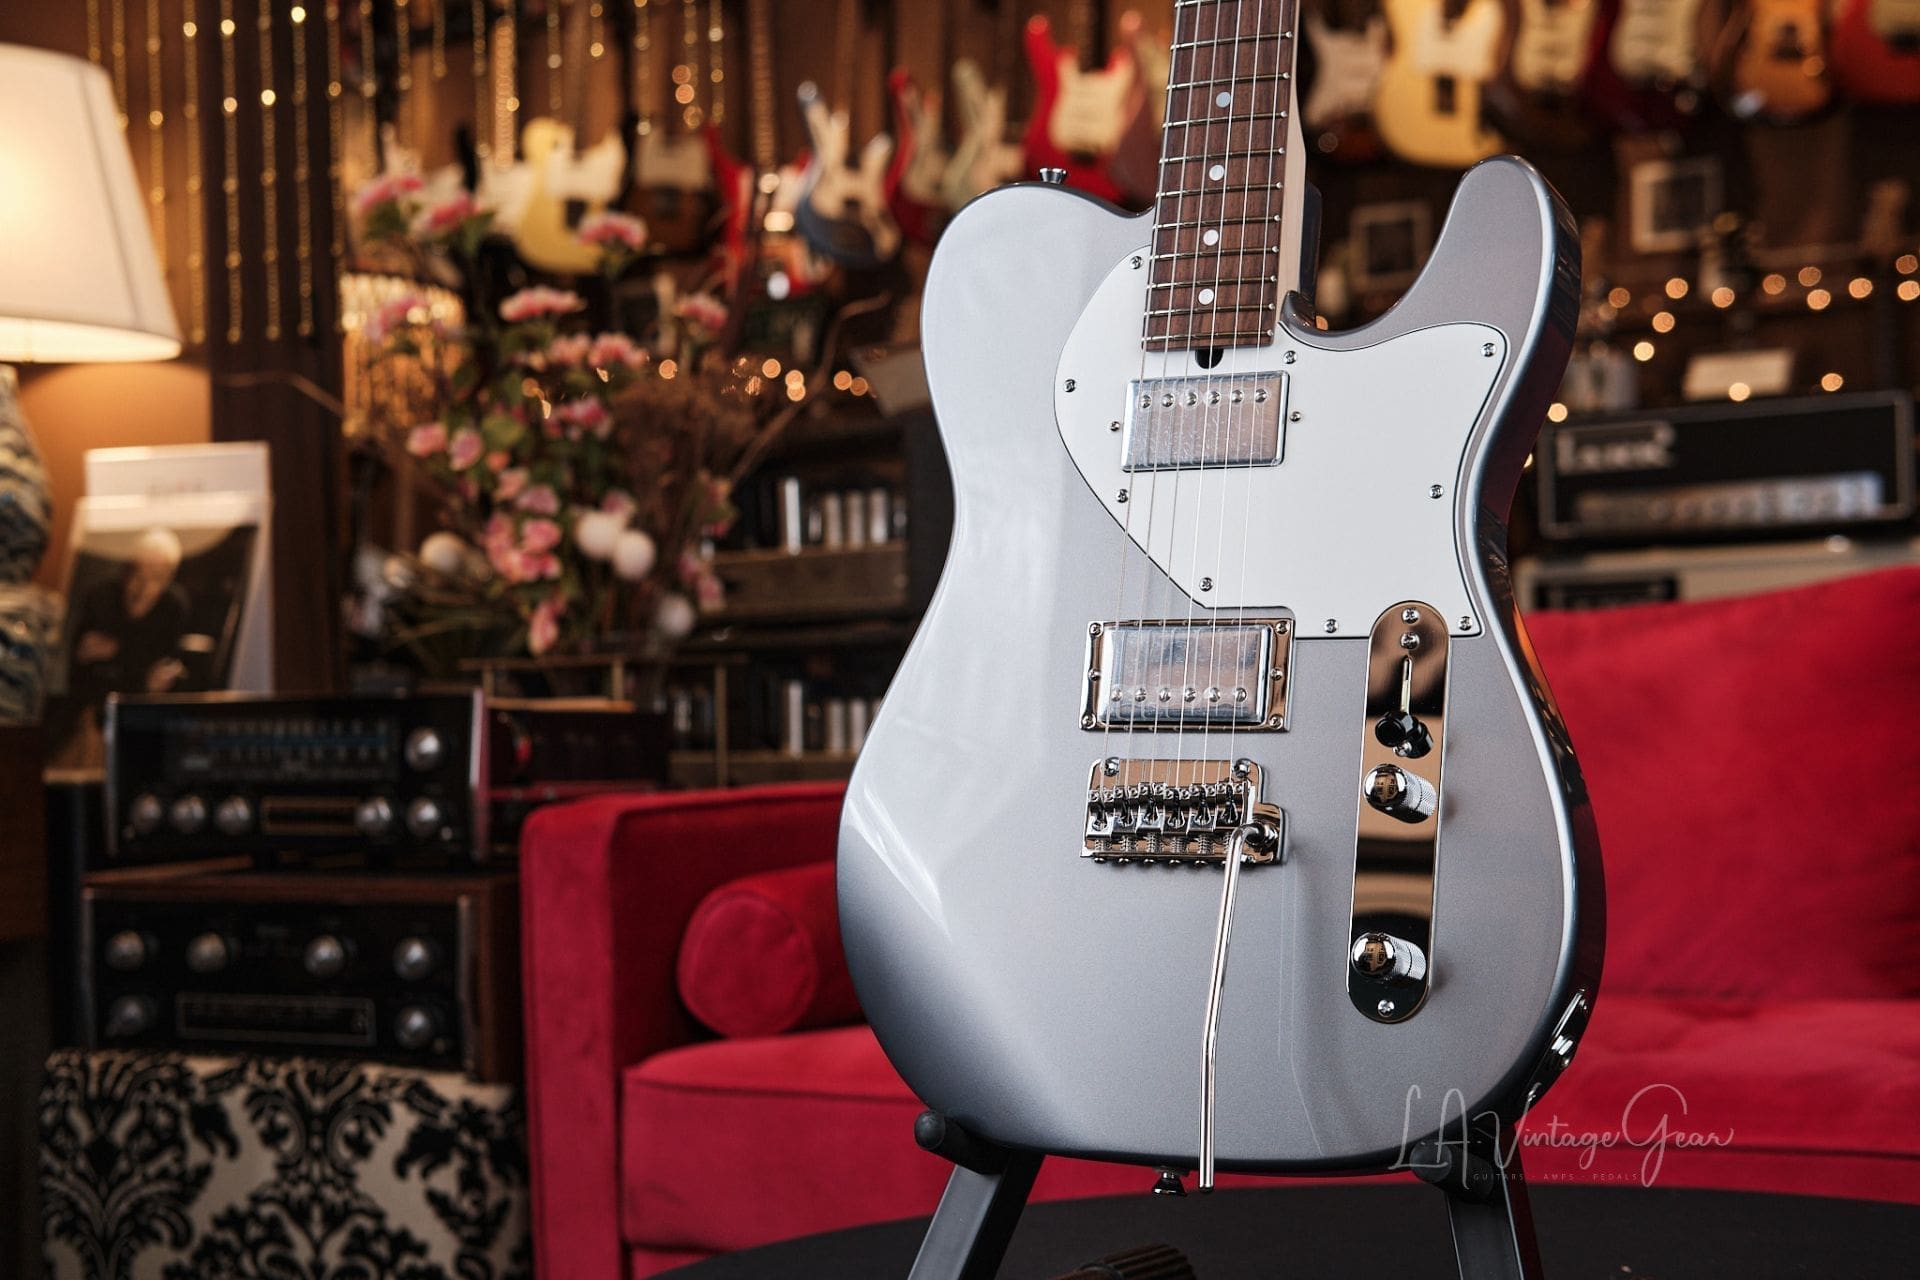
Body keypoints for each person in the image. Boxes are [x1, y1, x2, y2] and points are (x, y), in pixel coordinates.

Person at [69, 526, 192, 703]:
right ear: (126, 571)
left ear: (167, 580)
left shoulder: (173, 607)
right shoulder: (101, 597)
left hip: (143, 704)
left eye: (156, 578)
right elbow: (79, 662)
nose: (143, 588)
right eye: (139, 575)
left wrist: (118, 652)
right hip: (95, 699)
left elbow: (166, 666)